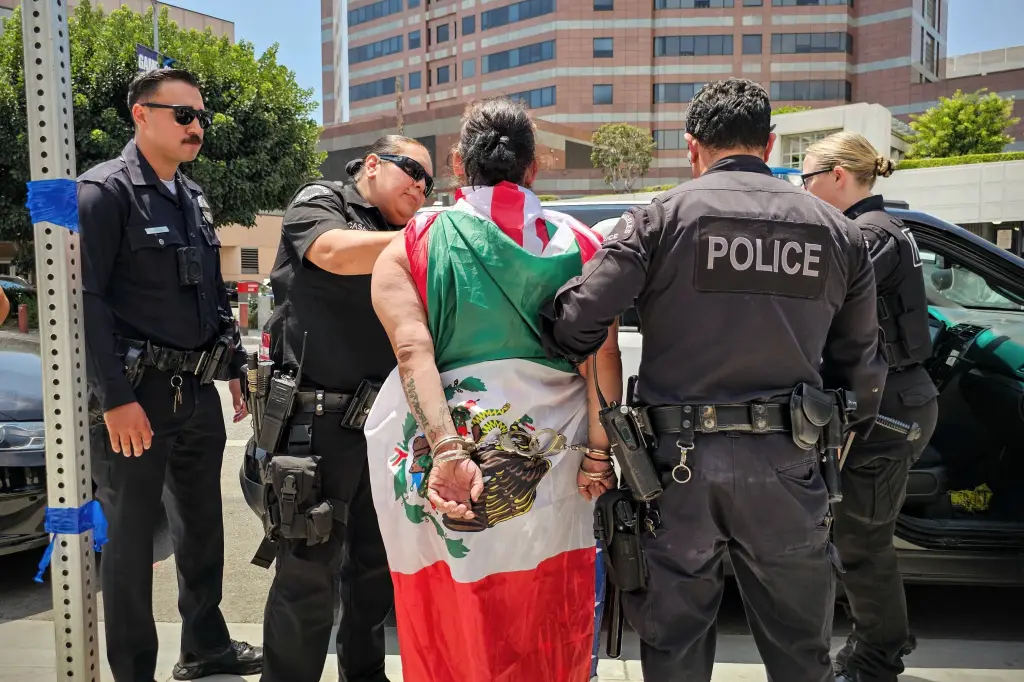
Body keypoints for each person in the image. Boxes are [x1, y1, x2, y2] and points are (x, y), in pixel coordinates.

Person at [539, 78, 890, 682]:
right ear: (771, 145)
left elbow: (575, 322)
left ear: (691, 146)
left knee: (674, 649)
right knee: (802, 653)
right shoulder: (841, 234)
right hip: (791, 463)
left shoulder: (659, 220)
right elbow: (862, 370)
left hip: (677, 469)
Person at [364, 96, 621, 682]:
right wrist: (602, 456)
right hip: (554, 465)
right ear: (534, 168)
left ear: (457, 163)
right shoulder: (581, 243)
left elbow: (412, 352)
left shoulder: (412, 244)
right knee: (547, 606)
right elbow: (602, 357)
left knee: (454, 609)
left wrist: (450, 451)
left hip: (449, 467)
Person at [77, 68, 260, 681]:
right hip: (137, 399)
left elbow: (211, 290)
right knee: (129, 544)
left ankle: (205, 647)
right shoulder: (103, 193)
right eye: (183, 115)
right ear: (142, 115)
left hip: (196, 394)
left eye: (201, 116)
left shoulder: (191, 196)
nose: (197, 127)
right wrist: (115, 398)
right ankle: (133, 671)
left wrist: (233, 363)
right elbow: (85, 303)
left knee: (203, 527)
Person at [257, 135, 433, 682]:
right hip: (316, 425)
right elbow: (331, 252)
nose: (423, 187)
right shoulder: (321, 202)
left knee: (375, 572)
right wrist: (426, 236)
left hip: (383, 427)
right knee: (308, 575)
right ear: (374, 164)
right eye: (413, 171)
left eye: (431, 182)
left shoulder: (411, 235)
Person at [803, 132, 939, 682]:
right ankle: (880, 641)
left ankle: (876, 659)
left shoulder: (866, 236)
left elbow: (823, 305)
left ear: (839, 175)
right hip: (896, 401)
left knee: (862, 540)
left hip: (889, 409)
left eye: (807, 178)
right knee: (855, 534)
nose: (803, 189)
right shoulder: (879, 230)